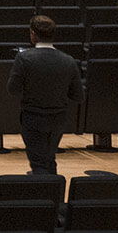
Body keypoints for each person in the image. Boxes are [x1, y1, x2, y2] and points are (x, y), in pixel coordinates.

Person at [9, 14, 82, 175]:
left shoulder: (24, 58)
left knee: (39, 164)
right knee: (48, 159)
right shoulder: (68, 60)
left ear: (33, 34)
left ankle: (44, 197)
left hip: (33, 117)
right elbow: (78, 96)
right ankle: (53, 196)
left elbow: (13, 89)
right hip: (58, 119)